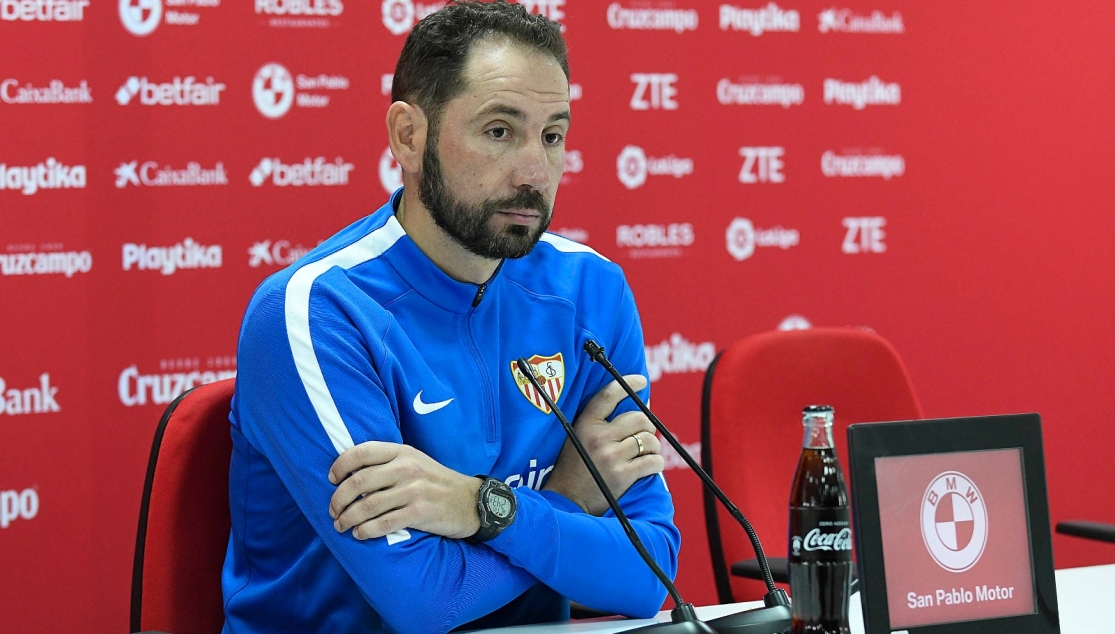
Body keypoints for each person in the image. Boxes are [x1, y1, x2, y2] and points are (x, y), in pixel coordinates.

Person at [223, 2, 679, 633]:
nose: (534, 172)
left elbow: (649, 572)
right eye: (499, 131)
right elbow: (421, 602)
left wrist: (478, 507)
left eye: (552, 135)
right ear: (409, 137)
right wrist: (564, 502)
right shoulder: (318, 311)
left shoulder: (590, 292)